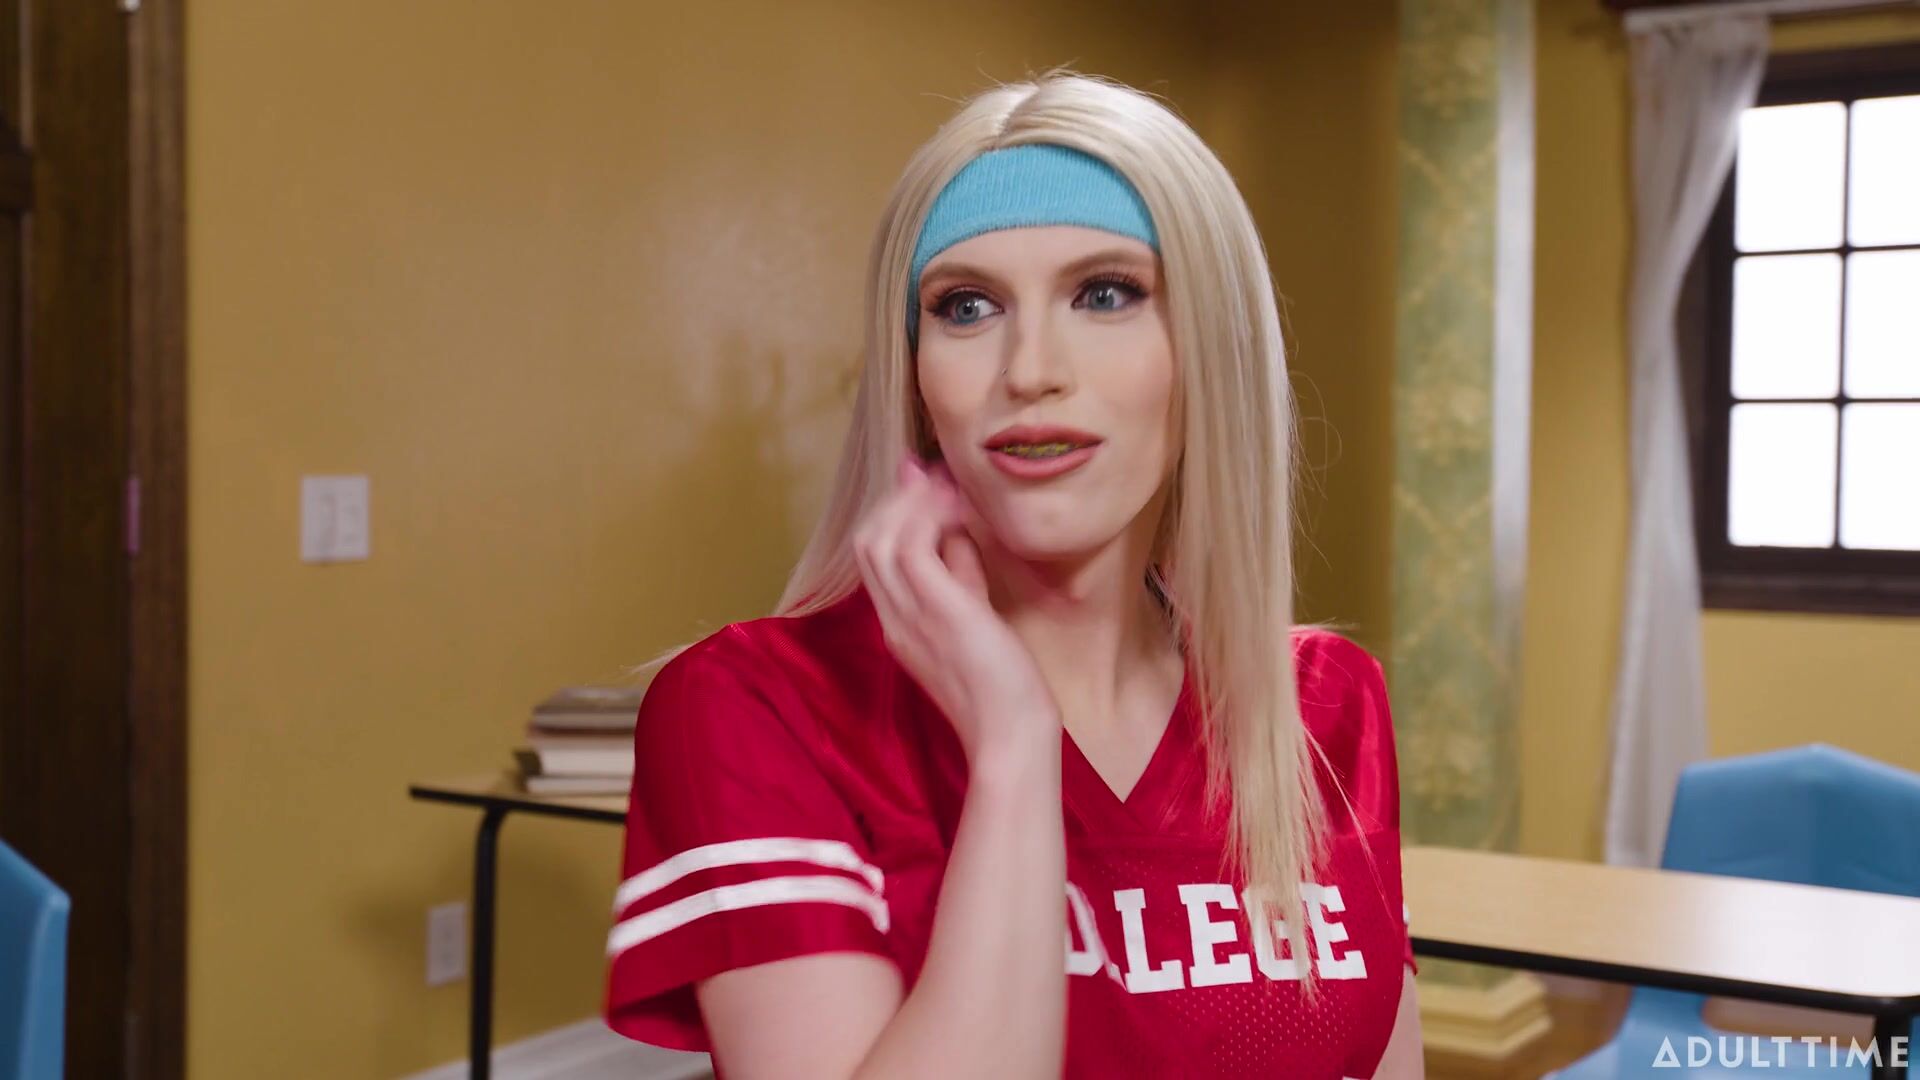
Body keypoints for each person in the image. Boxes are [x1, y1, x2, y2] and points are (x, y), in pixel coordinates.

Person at [602, 68, 1425, 1079]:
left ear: (1211, 348)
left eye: (1106, 293)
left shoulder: (1327, 703)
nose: (1030, 369)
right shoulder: (756, 708)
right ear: (914, 372)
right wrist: (1013, 746)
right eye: (967, 306)